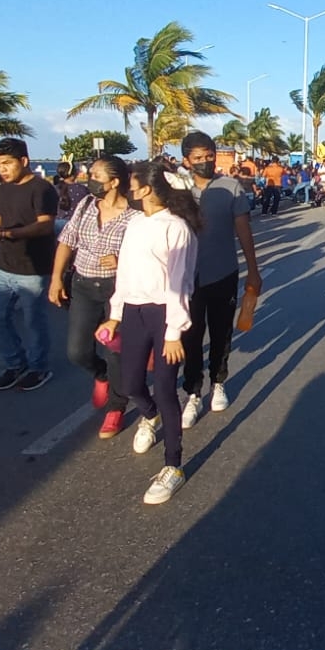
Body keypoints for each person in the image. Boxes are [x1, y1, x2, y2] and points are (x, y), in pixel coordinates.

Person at [97, 159, 201, 505]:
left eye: (134, 181)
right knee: (128, 384)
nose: (129, 186)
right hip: (133, 312)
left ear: (148, 188)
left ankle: (173, 465)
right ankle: (150, 416)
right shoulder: (136, 223)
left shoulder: (177, 228)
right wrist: (114, 315)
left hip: (165, 315)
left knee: (167, 388)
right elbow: (124, 273)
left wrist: (174, 332)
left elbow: (180, 283)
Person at [177, 132, 262, 429]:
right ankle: (192, 393)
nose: (204, 162)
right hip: (185, 278)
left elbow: (244, 232)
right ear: (186, 161)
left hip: (223, 272)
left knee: (221, 332)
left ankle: (218, 382)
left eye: (209, 156)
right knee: (190, 336)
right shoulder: (178, 191)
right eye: (197, 158)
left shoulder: (231, 187)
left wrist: (253, 270)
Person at [50, 155, 138, 438]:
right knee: (77, 351)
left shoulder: (135, 215)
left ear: (114, 182)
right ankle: (99, 375)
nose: (90, 179)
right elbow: (67, 241)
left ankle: (116, 406)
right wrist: (55, 279)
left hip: (118, 289)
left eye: (96, 175)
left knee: (115, 352)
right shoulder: (87, 204)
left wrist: (123, 258)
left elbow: (147, 252)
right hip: (83, 285)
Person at [0, 137, 60, 392]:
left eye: (6, 163)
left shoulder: (42, 189)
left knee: (34, 321)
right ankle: (15, 363)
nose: (2, 169)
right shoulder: (2, 189)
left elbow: (45, 224)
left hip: (33, 268)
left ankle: (38, 367)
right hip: (2, 264)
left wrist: (4, 235)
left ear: (24, 161)